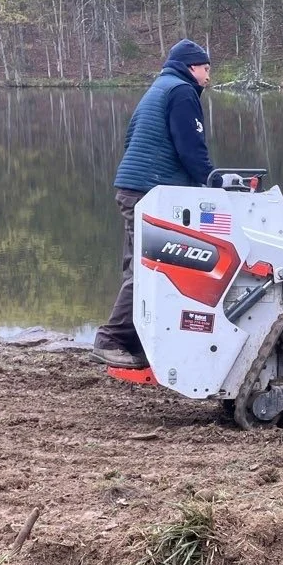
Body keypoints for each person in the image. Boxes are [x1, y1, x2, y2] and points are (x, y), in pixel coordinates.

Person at [92, 39, 216, 369]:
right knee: (148, 272)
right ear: (192, 67)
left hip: (133, 187)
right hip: (151, 192)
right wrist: (212, 181)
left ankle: (136, 340)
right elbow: (190, 147)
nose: (207, 77)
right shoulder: (181, 91)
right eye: (206, 69)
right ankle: (111, 339)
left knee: (137, 268)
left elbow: (132, 138)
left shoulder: (159, 88)